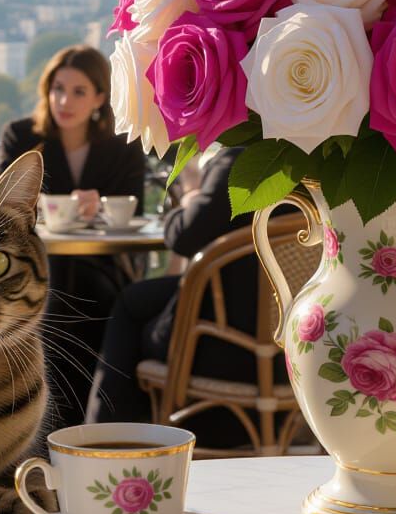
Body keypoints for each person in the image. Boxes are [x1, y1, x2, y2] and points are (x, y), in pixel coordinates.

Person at [89, 145, 288, 449]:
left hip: (220, 348)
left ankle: (107, 443)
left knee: (129, 311)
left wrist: (189, 198)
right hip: (288, 349)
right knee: (134, 300)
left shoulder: (241, 162)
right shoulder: (311, 166)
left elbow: (184, 235)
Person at [0, 44, 146, 431]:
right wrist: (42, 205)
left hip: (102, 265)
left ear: (99, 97)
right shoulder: (21, 136)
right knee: (59, 285)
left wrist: (103, 205)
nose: (64, 100)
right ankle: (67, 425)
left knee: (85, 291)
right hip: (36, 267)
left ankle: (84, 424)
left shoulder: (122, 146)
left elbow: (135, 207)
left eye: (78, 91)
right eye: (57, 88)